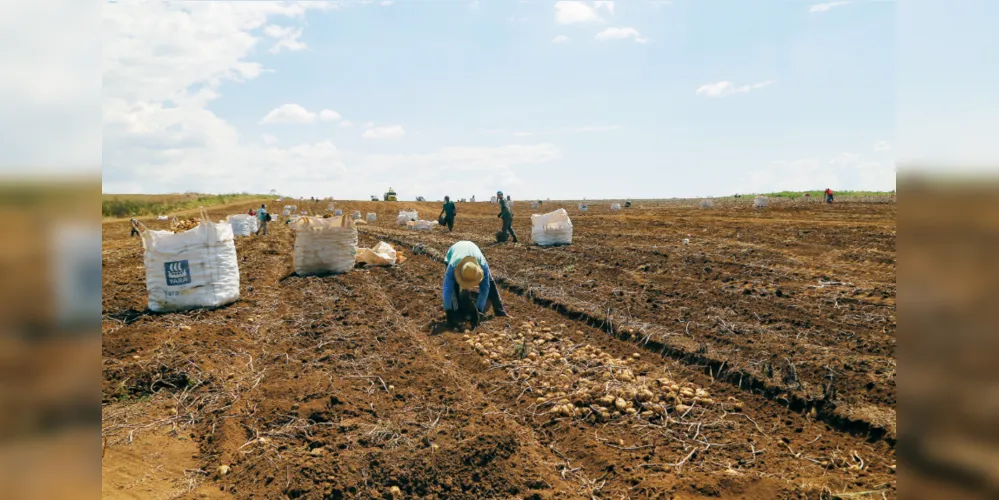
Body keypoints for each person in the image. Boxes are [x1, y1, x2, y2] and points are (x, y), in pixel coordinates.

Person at [442, 241, 510, 329]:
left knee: (490, 282)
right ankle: (457, 312)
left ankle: (499, 310)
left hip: (473, 250)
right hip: (454, 252)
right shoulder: (452, 266)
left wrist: (479, 310)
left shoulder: (482, 264)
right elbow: (447, 289)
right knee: (454, 287)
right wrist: (449, 312)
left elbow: (485, 288)